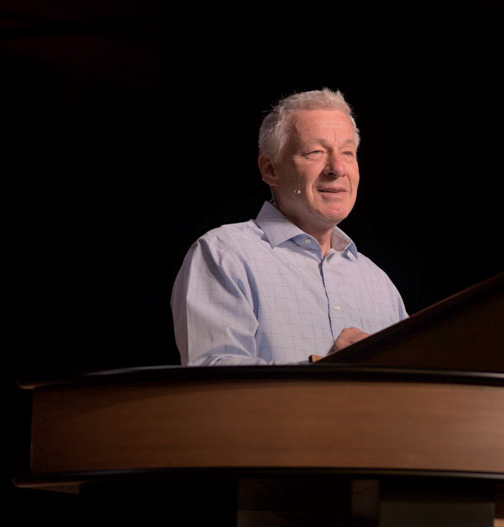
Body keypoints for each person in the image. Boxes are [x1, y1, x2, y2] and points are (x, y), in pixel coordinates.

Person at [171, 89, 407, 366]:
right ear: (270, 168)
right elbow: (216, 383)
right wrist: (328, 372)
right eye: (316, 152)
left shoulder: (379, 284)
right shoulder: (225, 255)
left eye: (347, 152)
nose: (337, 168)